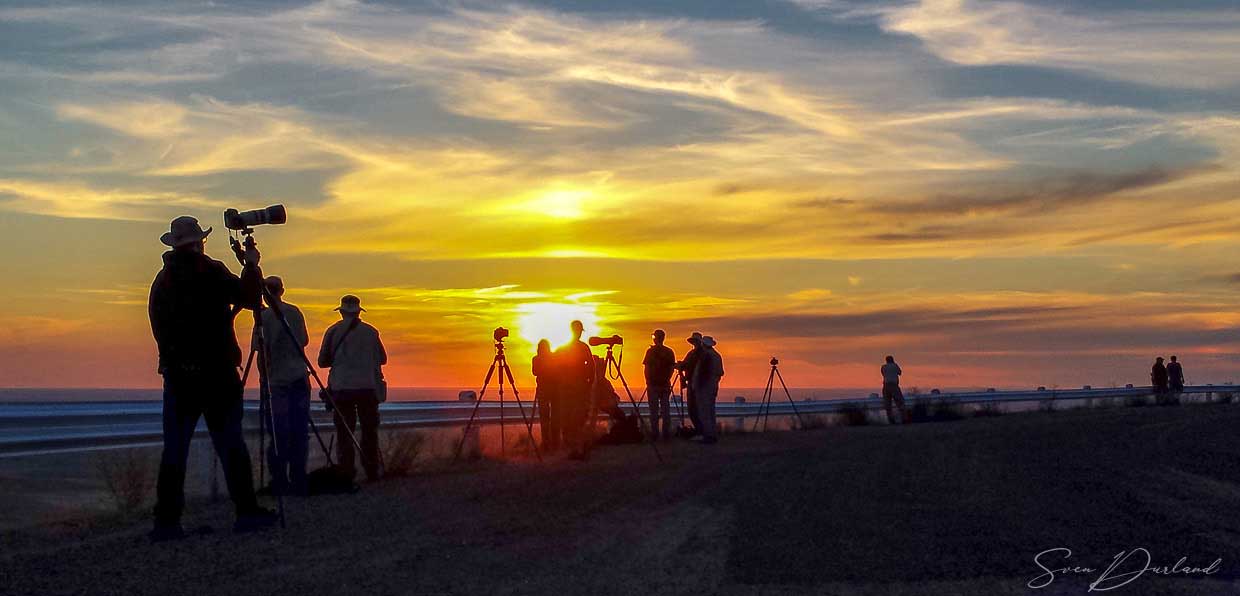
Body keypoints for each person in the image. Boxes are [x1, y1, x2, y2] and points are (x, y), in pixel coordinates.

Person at [148, 215, 277, 541]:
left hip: (178, 378)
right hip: (217, 375)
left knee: (175, 451)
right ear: (198, 242)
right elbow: (250, 298)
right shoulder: (210, 270)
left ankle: (167, 522)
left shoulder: (161, 282)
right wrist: (250, 265)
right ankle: (246, 513)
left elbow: (159, 331)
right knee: (231, 444)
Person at [318, 295, 387, 482]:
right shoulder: (371, 332)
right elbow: (383, 358)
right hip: (368, 388)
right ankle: (372, 471)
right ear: (358, 312)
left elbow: (322, 361)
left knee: (344, 433)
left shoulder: (332, 331)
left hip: (342, 389)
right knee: (369, 432)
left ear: (341, 312)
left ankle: (347, 472)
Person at [252, 276, 310, 496]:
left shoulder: (263, 317)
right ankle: (299, 479)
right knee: (299, 431)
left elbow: (260, 350)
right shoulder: (295, 312)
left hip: (276, 382)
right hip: (299, 377)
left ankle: (279, 480)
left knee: (278, 433)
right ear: (282, 290)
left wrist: (263, 378)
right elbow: (303, 341)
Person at [555, 320, 595, 460]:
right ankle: (573, 447)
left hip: (572, 389)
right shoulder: (581, 348)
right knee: (573, 419)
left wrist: (588, 384)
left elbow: (591, 369)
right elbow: (591, 368)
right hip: (573, 389)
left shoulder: (567, 348)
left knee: (572, 419)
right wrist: (588, 384)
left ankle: (573, 447)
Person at [643, 329, 676, 441]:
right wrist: (667, 379)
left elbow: (646, 368)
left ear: (655, 338)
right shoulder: (669, 352)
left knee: (653, 411)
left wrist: (648, 381)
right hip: (665, 385)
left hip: (653, 385)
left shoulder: (650, 352)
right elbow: (672, 368)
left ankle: (655, 434)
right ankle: (666, 434)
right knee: (666, 410)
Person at [691, 335, 724, 444]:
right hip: (713, 386)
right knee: (710, 410)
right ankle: (712, 434)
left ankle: (708, 435)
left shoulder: (706, 356)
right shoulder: (717, 356)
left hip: (704, 387)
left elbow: (702, 374)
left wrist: (697, 385)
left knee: (704, 411)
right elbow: (720, 373)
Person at [532, 339, 560, 451]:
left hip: (550, 390)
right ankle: (549, 443)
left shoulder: (537, 359)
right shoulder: (542, 358)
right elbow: (535, 372)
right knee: (549, 418)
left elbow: (536, 372)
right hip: (549, 390)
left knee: (550, 418)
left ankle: (552, 443)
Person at [677, 332, 705, 437]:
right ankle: (699, 429)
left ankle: (700, 430)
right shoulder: (692, 353)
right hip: (691, 383)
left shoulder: (701, 354)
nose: (694, 343)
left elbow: (687, 365)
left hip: (696, 384)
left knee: (694, 408)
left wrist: (681, 366)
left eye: (695, 341)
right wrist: (681, 365)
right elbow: (685, 364)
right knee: (692, 408)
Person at [881, 355, 908, 424]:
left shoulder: (883, 367)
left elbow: (883, 374)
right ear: (892, 360)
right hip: (894, 385)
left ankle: (891, 420)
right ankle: (904, 419)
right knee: (900, 402)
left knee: (888, 404)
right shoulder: (895, 366)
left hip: (886, 386)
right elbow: (900, 373)